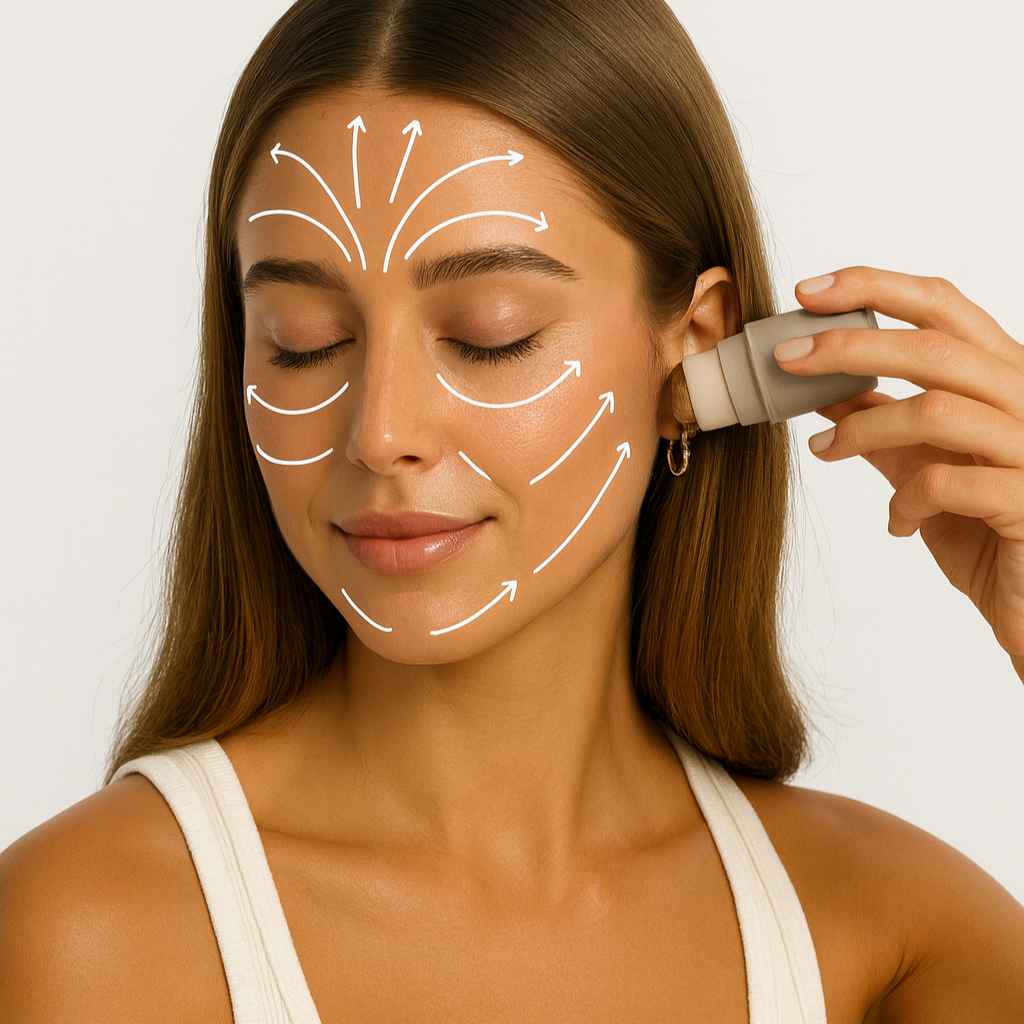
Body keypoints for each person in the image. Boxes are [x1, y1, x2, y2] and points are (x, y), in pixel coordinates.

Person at [2, 0, 1022, 1020]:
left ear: (695, 355)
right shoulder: (84, 938)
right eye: (303, 339)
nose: (377, 431)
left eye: (492, 334)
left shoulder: (892, 941)